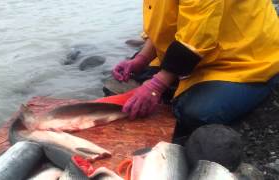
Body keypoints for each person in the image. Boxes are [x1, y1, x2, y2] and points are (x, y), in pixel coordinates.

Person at [112, 0, 279, 140]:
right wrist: (141, 59)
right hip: (207, 44)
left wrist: (156, 86)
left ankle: (265, 82)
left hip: (246, 57)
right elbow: (164, 23)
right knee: (138, 76)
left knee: (194, 114)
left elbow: (198, 35)